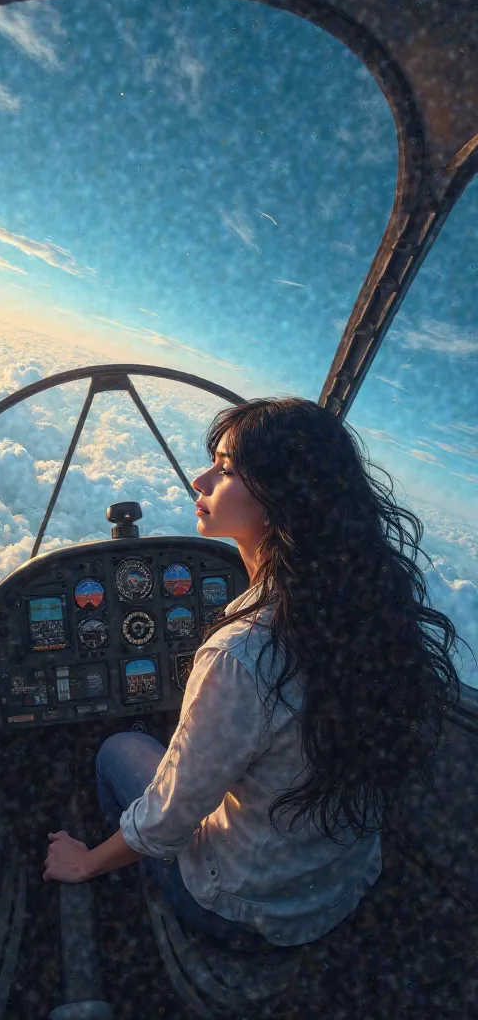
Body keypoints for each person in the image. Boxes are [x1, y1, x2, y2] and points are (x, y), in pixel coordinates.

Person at [43, 396, 473, 947]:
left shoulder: (242, 653)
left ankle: (134, 907)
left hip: (245, 911)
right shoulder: (370, 611)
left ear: (278, 498)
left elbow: (168, 820)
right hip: (341, 885)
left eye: (222, 470)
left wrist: (84, 863)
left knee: (117, 748)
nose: (199, 480)